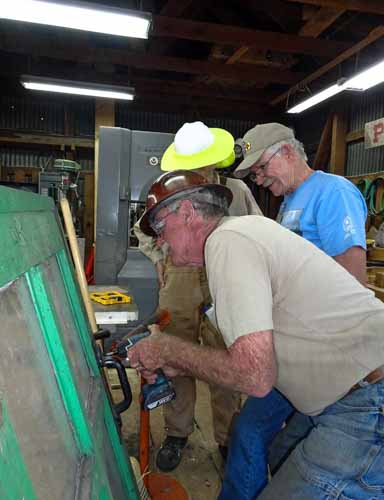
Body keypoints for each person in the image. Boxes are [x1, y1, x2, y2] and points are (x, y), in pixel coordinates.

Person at [128, 169, 384, 499]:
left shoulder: (227, 242)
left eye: (161, 229)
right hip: (349, 395)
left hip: (368, 405)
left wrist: (167, 351)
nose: (159, 242)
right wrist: (181, 362)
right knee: (273, 452)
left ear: (188, 213)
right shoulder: (240, 234)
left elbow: (255, 376)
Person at [217, 122, 368, 499]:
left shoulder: (333, 193)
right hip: (294, 348)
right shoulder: (289, 204)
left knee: (251, 432)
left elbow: (352, 279)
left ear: (287, 151)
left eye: (261, 167)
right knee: (278, 444)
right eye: (253, 173)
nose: (259, 177)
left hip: (322, 352)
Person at [133, 121, 262, 472]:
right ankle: (177, 432)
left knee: (226, 357)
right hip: (181, 278)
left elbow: (258, 229)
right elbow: (141, 229)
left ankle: (226, 437)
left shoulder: (237, 190)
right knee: (175, 353)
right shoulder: (171, 188)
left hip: (227, 279)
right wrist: (161, 257)